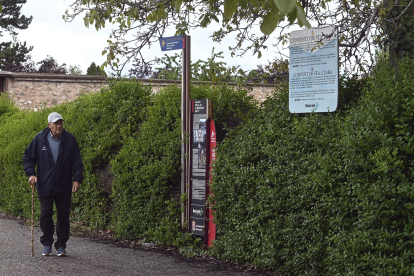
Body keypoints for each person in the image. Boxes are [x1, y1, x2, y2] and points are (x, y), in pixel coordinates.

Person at [23, 112, 83, 257]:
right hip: (45, 185)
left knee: (63, 216)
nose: (59, 126)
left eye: (61, 123)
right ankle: (47, 243)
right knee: (46, 214)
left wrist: (77, 179)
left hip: (63, 185)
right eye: (56, 123)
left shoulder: (70, 140)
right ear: (49, 125)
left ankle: (61, 245)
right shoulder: (39, 139)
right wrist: (31, 174)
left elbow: (77, 162)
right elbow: (28, 158)